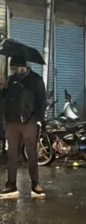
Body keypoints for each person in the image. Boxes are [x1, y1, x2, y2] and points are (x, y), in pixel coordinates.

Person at [0, 56, 46, 199]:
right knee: (12, 154)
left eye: (20, 67)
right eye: (15, 67)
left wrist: (38, 119)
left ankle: (35, 184)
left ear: (27, 66)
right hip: (12, 123)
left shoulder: (35, 80)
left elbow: (41, 101)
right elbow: (3, 99)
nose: (18, 70)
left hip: (29, 122)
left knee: (31, 153)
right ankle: (11, 185)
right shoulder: (9, 80)